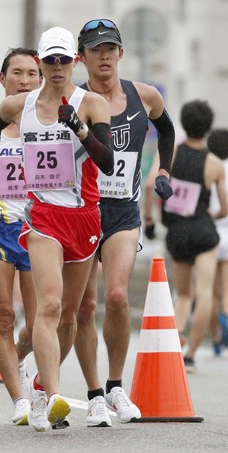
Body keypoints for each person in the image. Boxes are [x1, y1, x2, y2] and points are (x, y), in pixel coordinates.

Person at [0, 26, 114, 432]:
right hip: (43, 218)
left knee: (70, 317)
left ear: (75, 61)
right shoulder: (22, 105)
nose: (56, 68)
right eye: (49, 60)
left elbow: (106, 162)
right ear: (41, 62)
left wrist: (80, 129)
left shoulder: (91, 103)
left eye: (63, 60)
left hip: (85, 216)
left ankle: (38, 387)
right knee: (48, 306)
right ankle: (54, 395)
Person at [72, 18, 177, 427]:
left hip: (121, 211)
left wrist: (163, 171)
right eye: (95, 49)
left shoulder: (143, 95)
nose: (104, 56)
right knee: (83, 307)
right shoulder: (73, 100)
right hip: (80, 210)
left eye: (110, 48)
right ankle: (93, 393)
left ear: (121, 54)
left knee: (116, 296)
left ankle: (115, 386)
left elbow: (166, 130)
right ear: (81, 57)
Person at [0, 47, 42, 426]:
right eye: (17, 73)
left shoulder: (48, 125)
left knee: (39, 321)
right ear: (3, 79)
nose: (25, 81)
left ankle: (20, 355)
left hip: (38, 230)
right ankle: (19, 398)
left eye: (32, 74)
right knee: (2, 314)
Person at [148, 100, 227, 373]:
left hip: (176, 232)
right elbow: (224, 208)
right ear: (207, 128)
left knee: (183, 293)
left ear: (183, 122)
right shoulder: (215, 163)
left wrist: (149, 220)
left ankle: (177, 335)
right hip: (204, 231)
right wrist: (211, 218)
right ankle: (191, 355)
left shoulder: (170, 154)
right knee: (204, 294)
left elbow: (149, 185)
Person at [208, 128, 228, 354]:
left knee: (210, 292)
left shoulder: (208, 165)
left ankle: (215, 340)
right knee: (226, 291)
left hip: (211, 231)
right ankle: (226, 318)